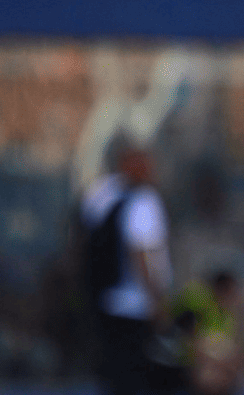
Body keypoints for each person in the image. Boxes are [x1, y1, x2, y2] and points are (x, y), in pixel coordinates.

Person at [80, 145, 174, 395]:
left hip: (103, 300)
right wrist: (157, 302)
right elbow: (141, 253)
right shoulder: (144, 200)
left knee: (113, 375)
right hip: (135, 307)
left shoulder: (100, 193)